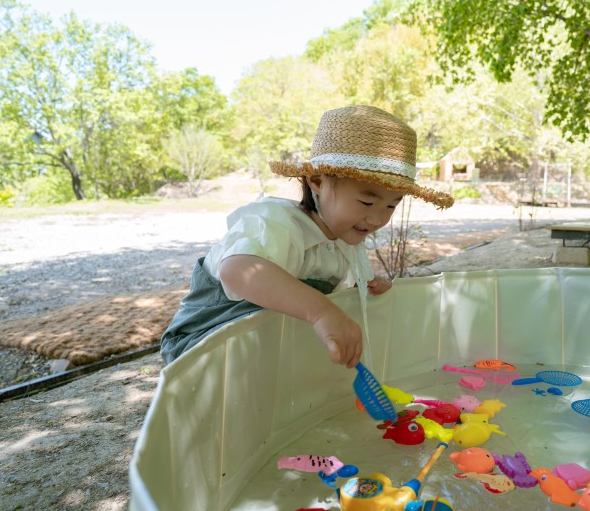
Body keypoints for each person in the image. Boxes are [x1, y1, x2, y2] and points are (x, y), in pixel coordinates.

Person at [160, 105, 454, 367]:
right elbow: (237, 271)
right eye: (366, 202)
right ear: (317, 182)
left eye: (392, 204)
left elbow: (341, 289)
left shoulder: (344, 241)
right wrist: (321, 311)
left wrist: (370, 286)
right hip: (201, 348)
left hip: (259, 353)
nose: (378, 218)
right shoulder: (277, 222)